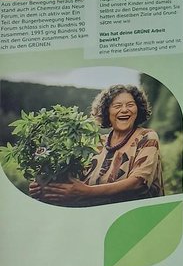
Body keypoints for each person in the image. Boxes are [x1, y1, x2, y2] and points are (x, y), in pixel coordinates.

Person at [30, 84, 164, 206]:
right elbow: (76, 181)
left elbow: (138, 183)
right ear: (107, 112)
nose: (124, 110)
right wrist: (46, 186)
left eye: (130, 105)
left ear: (138, 109)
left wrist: (88, 192)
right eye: (117, 106)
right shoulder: (96, 143)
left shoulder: (147, 137)